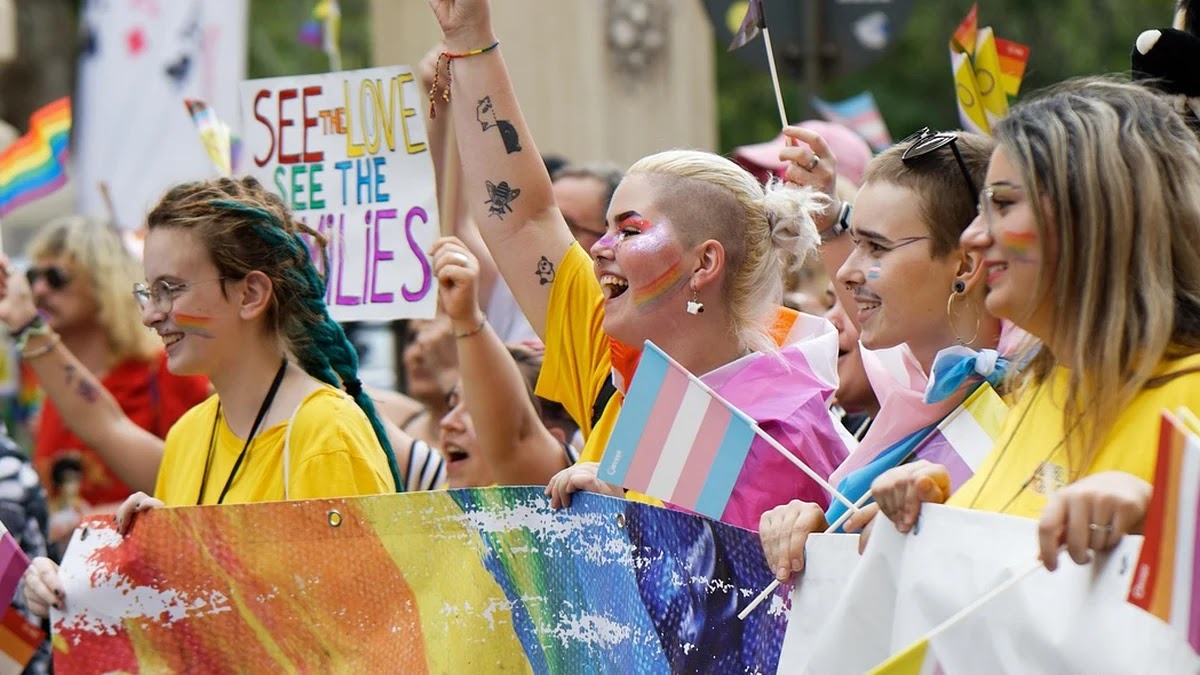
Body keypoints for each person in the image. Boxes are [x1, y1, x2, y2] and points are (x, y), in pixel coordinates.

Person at [425, 0, 851, 530]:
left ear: (705, 263)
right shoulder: (618, 364)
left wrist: (625, 517)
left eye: (629, 230)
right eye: (605, 228)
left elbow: (721, 583)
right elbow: (523, 219)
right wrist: (469, 37)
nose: (598, 248)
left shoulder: (780, 435)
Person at [21, 175, 404, 618]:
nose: (150, 315)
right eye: (148, 292)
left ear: (251, 294)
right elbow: (186, 625)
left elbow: (362, 625)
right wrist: (72, 584)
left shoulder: (326, 436)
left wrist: (191, 558)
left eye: (171, 289)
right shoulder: (189, 434)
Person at [863, 78, 1200, 572]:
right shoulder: (1039, 386)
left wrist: (1168, 519)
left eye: (1002, 205)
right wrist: (937, 515)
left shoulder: (1191, 394)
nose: (972, 237)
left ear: (1094, 217)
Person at [758, 126, 1006, 581]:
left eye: (876, 247)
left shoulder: (1028, 399)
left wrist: (932, 528)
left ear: (966, 264)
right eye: (855, 243)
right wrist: (822, 532)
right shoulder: (919, 384)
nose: (847, 273)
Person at [21, 216, 208, 540]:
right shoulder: (53, 390)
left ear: (102, 282)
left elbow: (201, 490)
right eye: (32, 277)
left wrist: (101, 518)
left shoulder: (167, 371)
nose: (39, 290)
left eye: (56, 278)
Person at [432, 236, 579, 487]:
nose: (447, 423)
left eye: (477, 411)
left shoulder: (552, 493)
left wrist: (467, 318)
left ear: (554, 439)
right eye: (452, 404)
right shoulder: (435, 481)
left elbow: (515, 439)